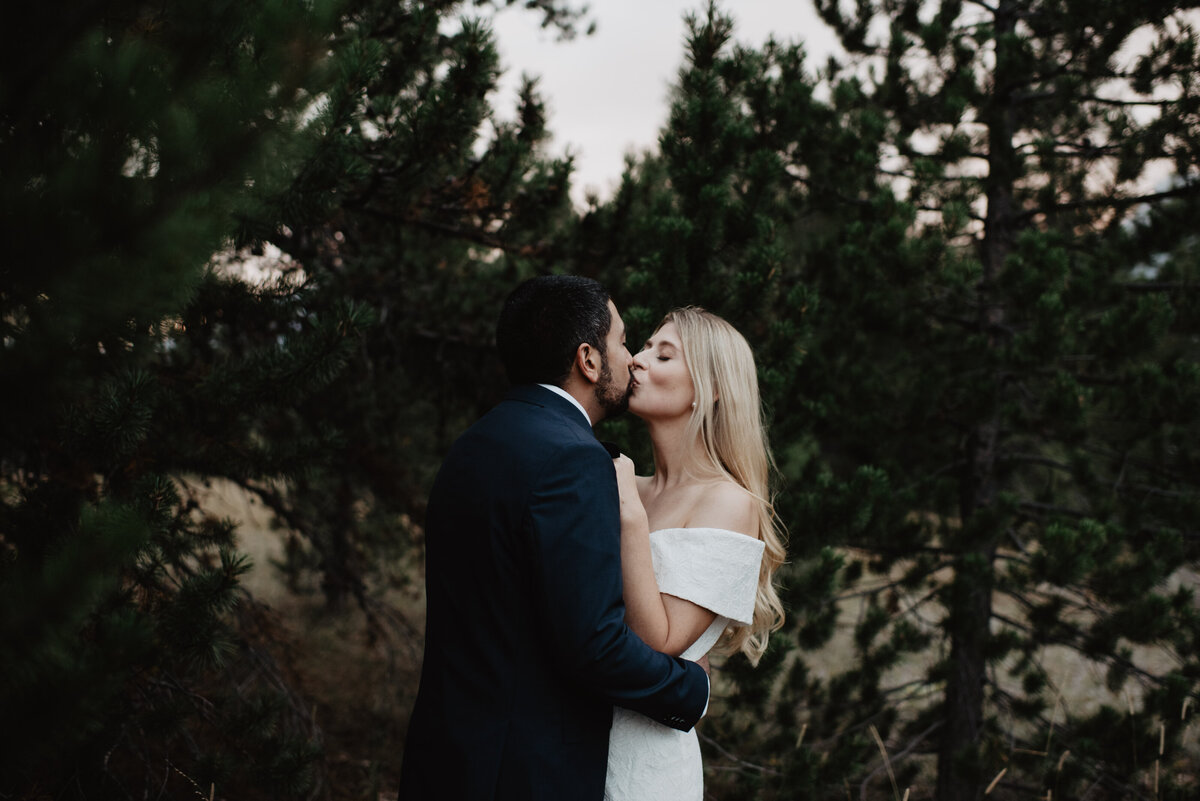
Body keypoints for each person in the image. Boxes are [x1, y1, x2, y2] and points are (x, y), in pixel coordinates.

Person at [397, 276, 710, 801]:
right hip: (521, 772)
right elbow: (594, 643)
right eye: (621, 341)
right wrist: (690, 689)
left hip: (446, 758)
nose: (631, 358)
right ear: (588, 360)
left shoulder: (474, 444)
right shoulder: (573, 458)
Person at [603, 307, 786, 801]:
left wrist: (630, 516)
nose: (637, 360)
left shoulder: (728, 501)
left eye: (664, 354)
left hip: (644, 765)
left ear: (711, 387)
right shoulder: (624, 484)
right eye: (642, 347)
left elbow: (657, 641)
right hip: (569, 744)